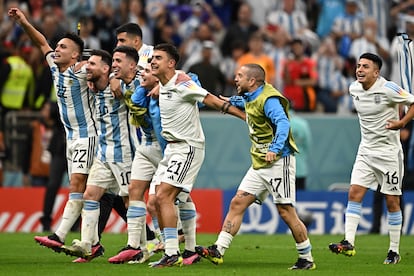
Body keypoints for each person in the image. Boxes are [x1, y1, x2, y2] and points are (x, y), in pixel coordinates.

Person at [195, 63, 316, 270]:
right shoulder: (251, 96)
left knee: (286, 211)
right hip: (260, 162)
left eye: (239, 76)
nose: (235, 79)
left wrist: (275, 149)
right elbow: (244, 102)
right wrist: (226, 100)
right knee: (237, 203)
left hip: (279, 161)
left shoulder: (269, 100)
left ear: (252, 81)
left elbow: (283, 123)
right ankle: (218, 249)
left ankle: (307, 258)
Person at [8, 8, 99, 254]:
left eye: (63, 47)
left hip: (88, 137)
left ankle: (59, 235)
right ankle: (93, 243)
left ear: (76, 55)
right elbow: (40, 41)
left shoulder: (81, 70)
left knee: (79, 185)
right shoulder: (54, 67)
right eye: (57, 46)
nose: (56, 49)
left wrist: (96, 75)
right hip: (70, 139)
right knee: (95, 191)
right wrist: (24, 21)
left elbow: (103, 69)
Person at [149, 43, 245, 268]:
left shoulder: (182, 82)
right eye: (152, 58)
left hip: (187, 147)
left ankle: (172, 252)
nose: (153, 61)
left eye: (158, 58)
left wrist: (243, 117)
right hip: (172, 148)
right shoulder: (162, 83)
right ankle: (187, 250)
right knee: (156, 200)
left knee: (164, 196)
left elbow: (210, 99)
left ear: (171, 63)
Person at [328, 53, 414, 264]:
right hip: (366, 151)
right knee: (354, 192)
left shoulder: (388, 88)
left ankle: (394, 251)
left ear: (376, 72)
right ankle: (348, 241)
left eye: (365, 66)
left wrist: (401, 123)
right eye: (358, 65)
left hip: (389, 154)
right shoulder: (353, 88)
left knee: (392, 201)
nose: (359, 69)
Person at [60, 49, 136, 262]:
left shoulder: (118, 87)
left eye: (92, 64)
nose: (87, 67)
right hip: (103, 153)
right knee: (90, 195)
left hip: (123, 154)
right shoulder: (92, 89)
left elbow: (135, 80)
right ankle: (87, 244)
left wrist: (114, 78)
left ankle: (140, 245)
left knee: (131, 200)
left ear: (106, 68)